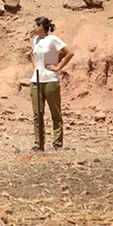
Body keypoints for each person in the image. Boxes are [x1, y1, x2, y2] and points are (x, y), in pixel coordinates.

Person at [29, 16, 73, 151]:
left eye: (35, 26)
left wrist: (58, 68)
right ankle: (38, 144)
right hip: (36, 80)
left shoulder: (52, 40)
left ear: (41, 27)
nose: (33, 28)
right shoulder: (36, 40)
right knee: (38, 113)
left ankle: (57, 144)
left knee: (55, 113)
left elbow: (69, 53)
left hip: (50, 80)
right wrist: (36, 66)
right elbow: (31, 54)